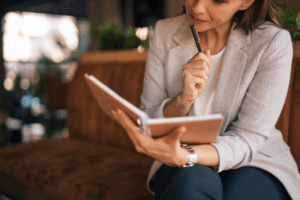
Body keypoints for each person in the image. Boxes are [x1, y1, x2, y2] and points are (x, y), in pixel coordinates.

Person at [112, 0, 300, 199]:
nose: (197, 7)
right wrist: (182, 100)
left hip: (255, 158)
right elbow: (149, 116)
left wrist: (187, 156)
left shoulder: (272, 42)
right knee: (188, 184)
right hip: (180, 154)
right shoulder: (164, 32)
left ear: (245, 2)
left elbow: (248, 138)